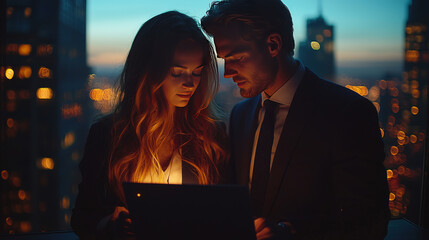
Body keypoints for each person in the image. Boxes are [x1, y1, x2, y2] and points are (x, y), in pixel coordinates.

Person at [201, 0, 390, 239]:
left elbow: (370, 221)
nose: (227, 72)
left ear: (273, 44)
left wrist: (289, 232)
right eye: (224, 60)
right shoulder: (241, 116)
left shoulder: (347, 113)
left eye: (237, 58)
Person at [71, 11, 228, 240]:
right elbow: (82, 219)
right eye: (177, 72)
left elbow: (226, 217)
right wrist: (111, 223)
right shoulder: (108, 135)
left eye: (197, 72)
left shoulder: (212, 136)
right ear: (148, 70)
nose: (189, 84)